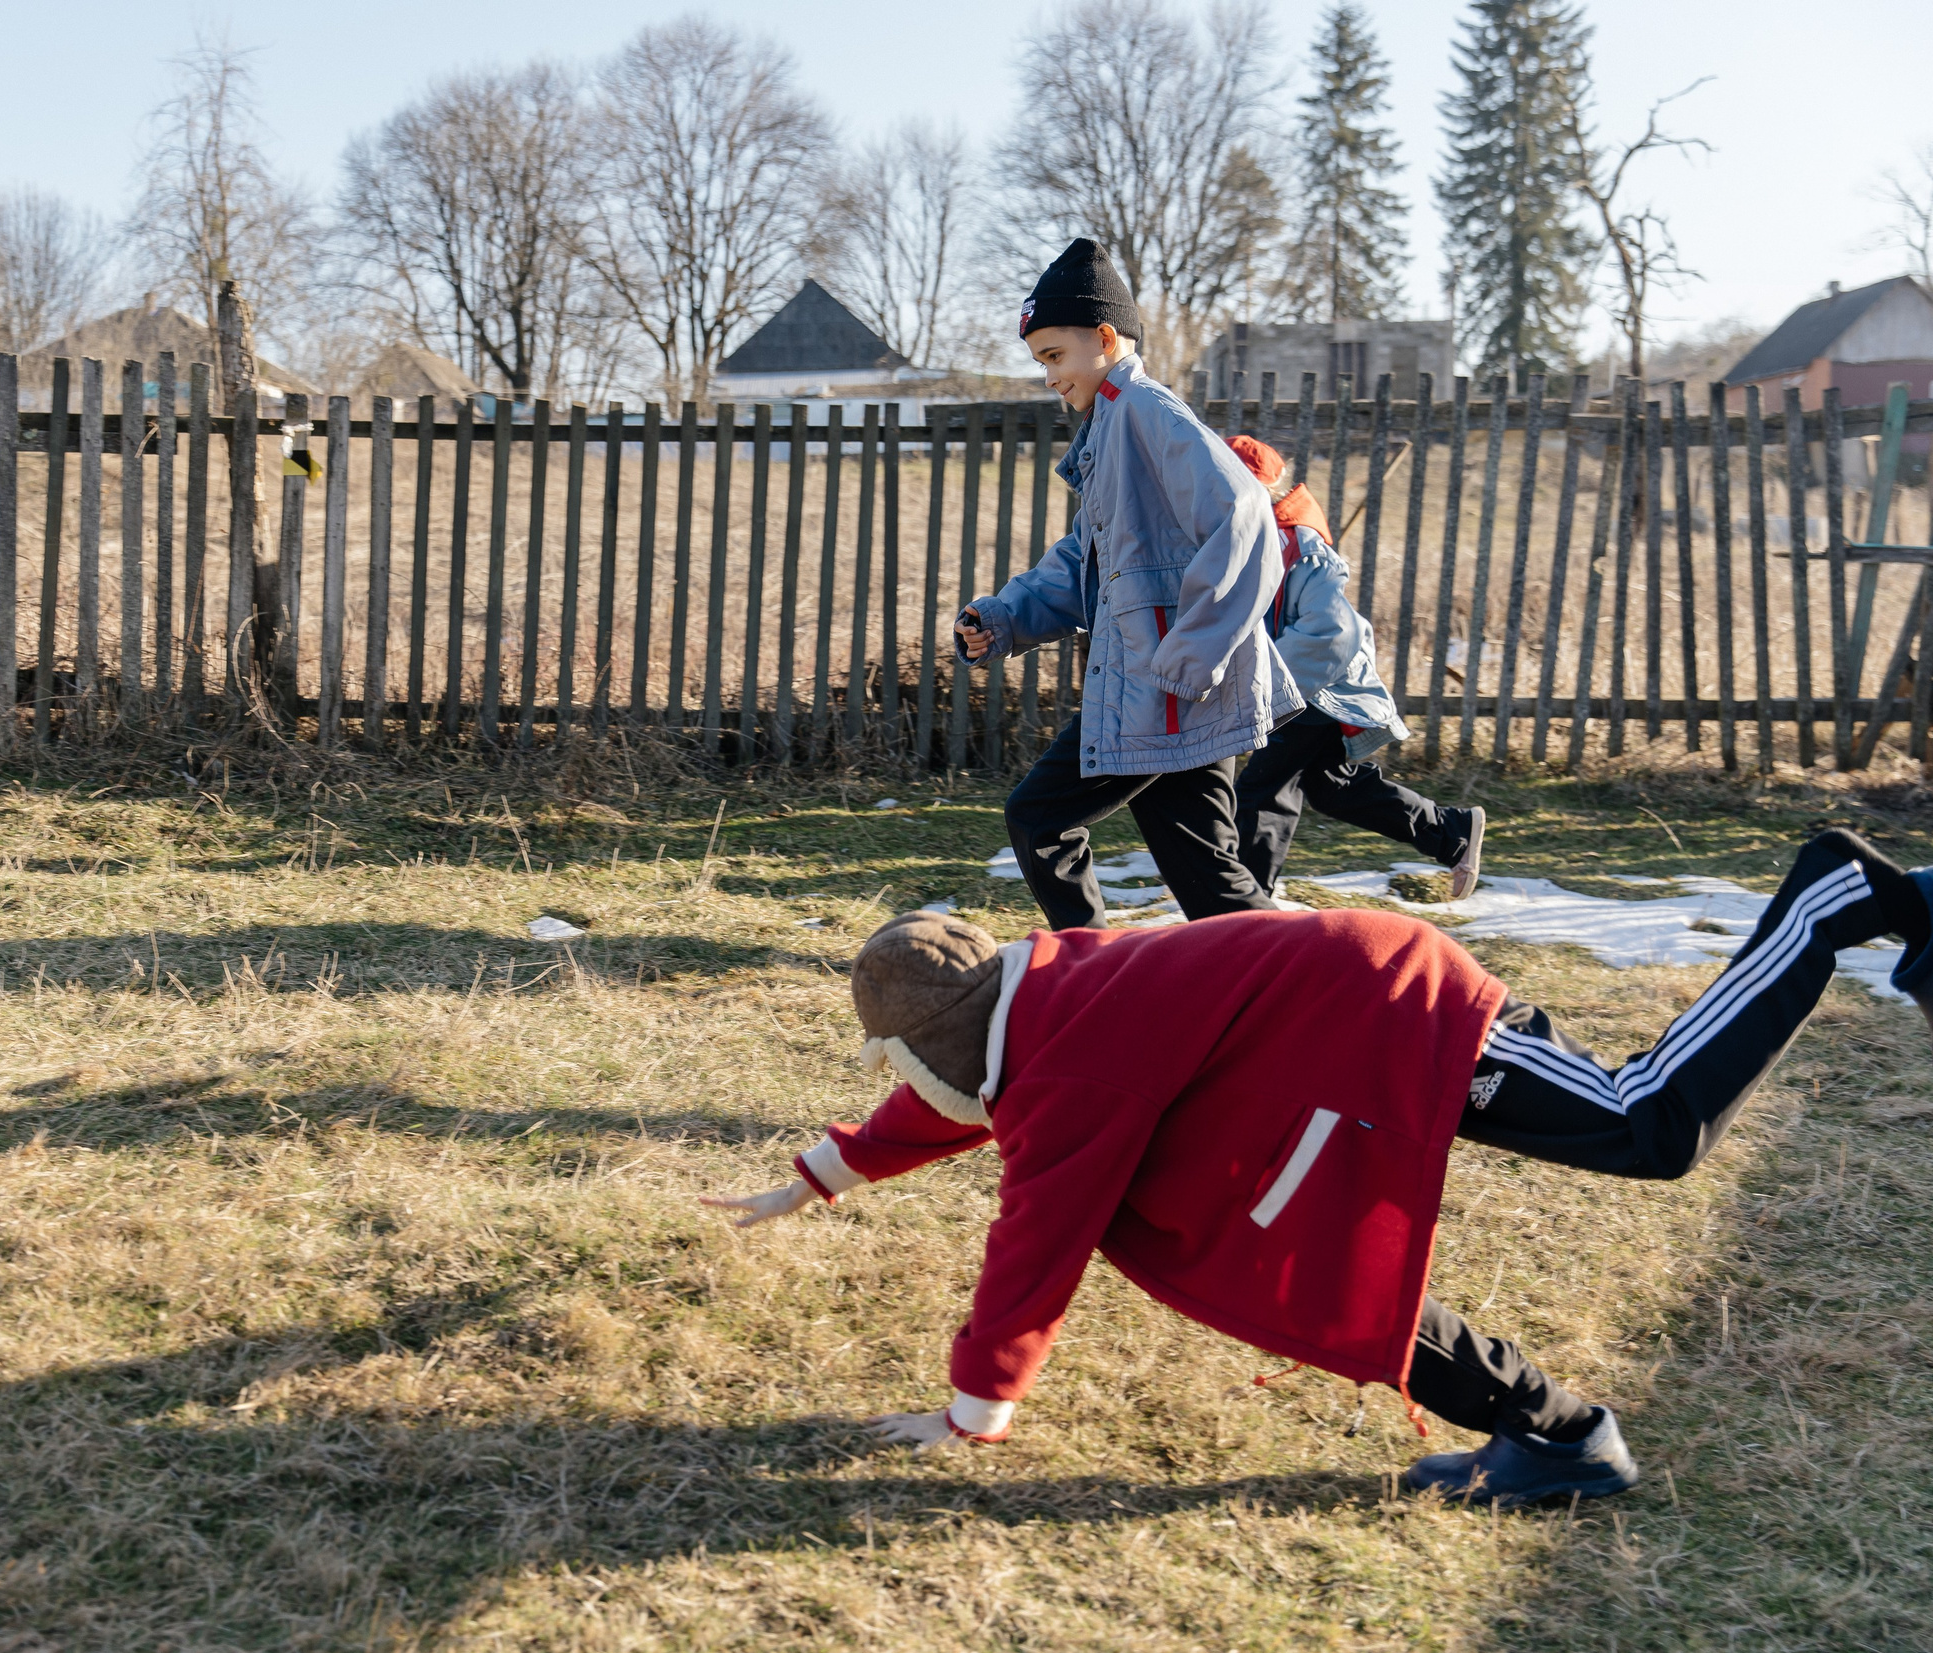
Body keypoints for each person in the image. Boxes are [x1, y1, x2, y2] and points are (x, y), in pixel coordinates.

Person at [701, 830, 1933, 1507]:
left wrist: (974, 1408)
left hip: (1390, 1010)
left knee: (1648, 1125)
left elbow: (1036, 1234)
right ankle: (1555, 1435)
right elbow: (966, 1099)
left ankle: (1827, 899)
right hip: (1332, 1042)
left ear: (942, 1038)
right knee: (1306, 1263)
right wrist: (818, 1174)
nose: (916, 1079)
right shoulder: (1039, 1010)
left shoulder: (1064, 1060)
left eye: (911, 1059)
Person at [955, 238, 1300, 931]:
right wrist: (1004, 618)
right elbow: (1085, 562)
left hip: (1162, 687)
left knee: (1039, 817)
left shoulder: (1144, 410)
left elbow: (1246, 517)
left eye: (1055, 356)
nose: (1049, 377)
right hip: (1167, 688)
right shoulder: (1110, 428)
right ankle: (1295, 981)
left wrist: (1190, 655)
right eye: (1040, 361)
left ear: (1106, 339)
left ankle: (1089, 969)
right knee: (1209, 882)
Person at [1221, 434, 1486, 902]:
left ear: (1252, 489)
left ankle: (1246, 905)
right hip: (1303, 685)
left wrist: (1272, 688)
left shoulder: (1301, 548)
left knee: (1264, 790)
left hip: (1314, 689)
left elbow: (1332, 632)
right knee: (1332, 789)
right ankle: (1450, 831)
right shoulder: (1258, 538)